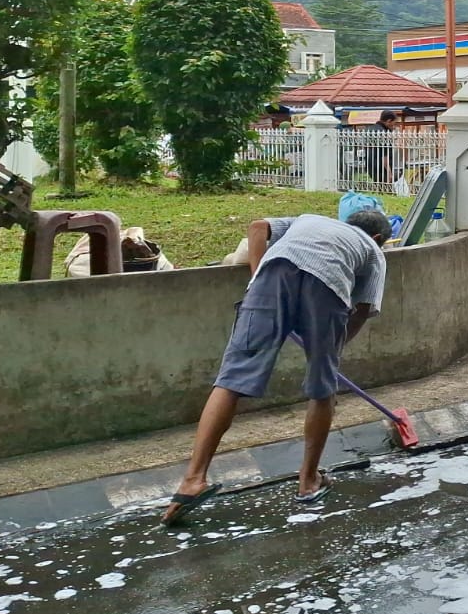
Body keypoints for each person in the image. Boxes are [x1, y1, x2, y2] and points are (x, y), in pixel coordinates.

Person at [161, 211, 391, 525]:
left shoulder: (308, 218)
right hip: (328, 287)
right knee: (322, 388)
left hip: (272, 276)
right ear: (379, 239)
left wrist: (257, 279)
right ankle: (308, 481)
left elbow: (257, 227)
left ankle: (192, 480)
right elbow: (363, 310)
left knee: (231, 378)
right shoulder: (373, 251)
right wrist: (331, 350)